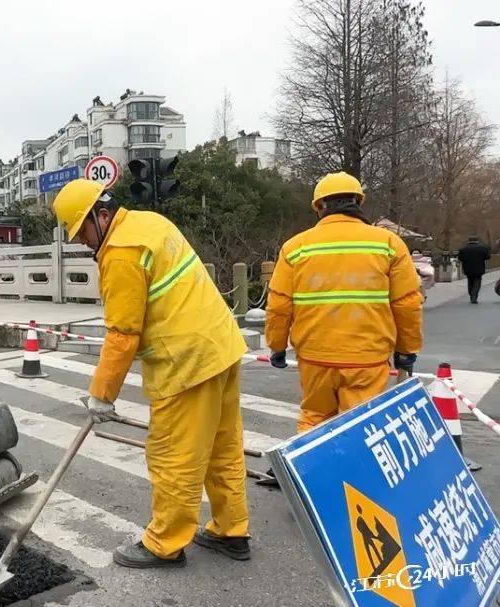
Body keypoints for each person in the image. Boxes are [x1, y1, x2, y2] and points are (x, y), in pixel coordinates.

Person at [52, 179, 250, 569]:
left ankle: (165, 543)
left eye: (83, 232)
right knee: (223, 448)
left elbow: (123, 333)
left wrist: (101, 394)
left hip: (187, 363)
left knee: (173, 456)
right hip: (222, 347)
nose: (83, 243)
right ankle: (232, 530)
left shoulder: (122, 253)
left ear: (101, 215)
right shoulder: (150, 223)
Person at [266, 172, 422, 436]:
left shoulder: (295, 247)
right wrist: (406, 350)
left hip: (315, 357)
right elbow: (406, 303)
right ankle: (357, 475)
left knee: (314, 418)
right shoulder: (388, 244)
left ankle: (312, 474)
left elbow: (279, 305)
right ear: (358, 203)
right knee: (363, 426)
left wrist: (277, 346)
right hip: (367, 358)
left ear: (319, 207)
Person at [457, 236, 491, 304]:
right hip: (479, 268)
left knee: (470, 281)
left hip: (468, 269)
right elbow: (488, 257)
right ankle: (474, 296)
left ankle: (471, 294)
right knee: (477, 282)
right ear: (477, 241)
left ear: (469, 241)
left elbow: (460, 258)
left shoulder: (463, 249)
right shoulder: (483, 248)